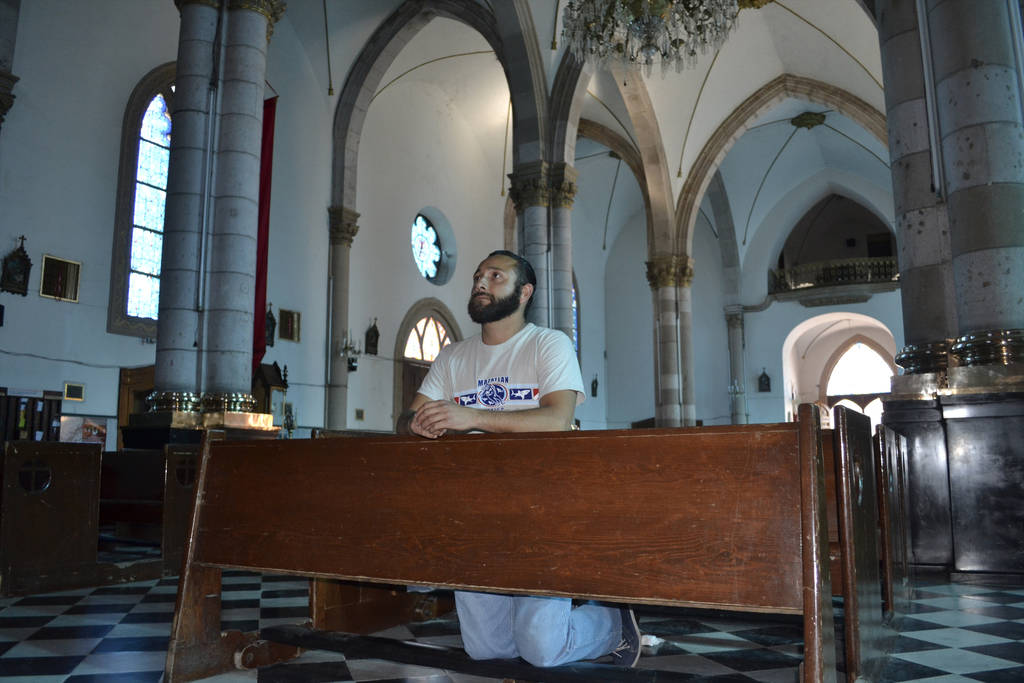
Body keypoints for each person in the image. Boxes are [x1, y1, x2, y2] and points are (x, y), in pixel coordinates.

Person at [398, 249, 642, 668]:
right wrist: (417, 425)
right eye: (478, 275)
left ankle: (612, 623)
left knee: (543, 650)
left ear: (524, 292)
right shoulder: (453, 357)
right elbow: (406, 419)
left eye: (496, 276)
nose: (480, 282)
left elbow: (557, 420)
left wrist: (471, 416)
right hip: (474, 510)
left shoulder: (548, 344)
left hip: (541, 507)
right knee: (487, 650)